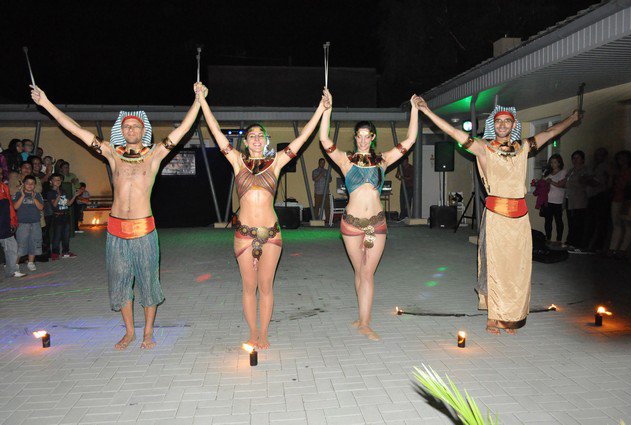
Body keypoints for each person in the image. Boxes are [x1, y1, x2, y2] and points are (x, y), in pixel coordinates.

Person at [31, 82, 204, 350]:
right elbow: (75, 129)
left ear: (143, 131)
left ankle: (148, 332)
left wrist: (197, 100)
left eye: (135, 126)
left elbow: (182, 130)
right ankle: (129, 332)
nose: (131, 130)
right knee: (121, 283)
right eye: (126, 127)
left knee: (148, 282)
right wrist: (46, 104)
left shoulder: (155, 154)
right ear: (120, 131)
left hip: (144, 229)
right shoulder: (112, 153)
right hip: (116, 231)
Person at [417, 101, 581, 334]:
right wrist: (426, 111)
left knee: (517, 269)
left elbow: (551, 132)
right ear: (493, 125)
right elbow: (453, 132)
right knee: (496, 267)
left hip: (520, 217)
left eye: (507, 121)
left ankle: (511, 317)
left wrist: (572, 119)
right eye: (498, 121)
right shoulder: (484, 148)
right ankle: (494, 317)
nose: (503, 125)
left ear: (514, 125)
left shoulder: (523, 147)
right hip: (497, 215)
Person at [200, 86, 330, 350]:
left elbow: (304, 136)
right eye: (252, 136)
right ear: (246, 141)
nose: (257, 139)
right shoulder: (237, 161)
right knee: (249, 287)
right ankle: (252, 333)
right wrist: (202, 100)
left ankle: (264, 333)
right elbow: (216, 131)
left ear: (266, 140)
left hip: (271, 234)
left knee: (266, 286)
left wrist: (321, 108)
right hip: (244, 235)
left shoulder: (276, 162)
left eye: (261, 135)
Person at [320, 90, 419, 341]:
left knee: (367, 273)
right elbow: (323, 138)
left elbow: (410, 140)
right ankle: (361, 317)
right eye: (359, 136)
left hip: (377, 224)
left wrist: (415, 110)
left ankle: (364, 322)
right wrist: (327, 109)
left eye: (367, 136)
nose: (363, 140)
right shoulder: (345, 161)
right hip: (351, 225)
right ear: (355, 137)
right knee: (359, 271)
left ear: (373, 137)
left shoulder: (383, 160)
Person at [12, 175, 44, 272]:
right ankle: (15, 264)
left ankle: (31, 262)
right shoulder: (18, 194)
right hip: (22, 223)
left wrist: (34, 198)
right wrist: (22, 196)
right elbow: (15, 207)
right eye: (27, 183)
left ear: (35, 185)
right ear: (23, 184)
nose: (30, 185)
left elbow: (41, 207)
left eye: (32, 183)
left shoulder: (37, 195)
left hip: (35, 223)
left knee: (34, 242)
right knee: (21, 243)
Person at [607, 150, 631, 258]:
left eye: (624, 158)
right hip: (616, 198)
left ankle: (621, 249)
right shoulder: (618, 171)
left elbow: (624, 185)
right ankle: (613, 248)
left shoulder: (630, 171)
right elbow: (610, 185)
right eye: (619, 158)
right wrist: (612, 176)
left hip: (627, 200)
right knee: (617, 224)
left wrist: (616, 176)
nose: (621, 160)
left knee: (628, 225)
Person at [46, 173, 79, 260]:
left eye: (59, 180)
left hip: (65, 215)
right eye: (55, 180)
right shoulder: (50, 193)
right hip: (57, 216)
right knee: (57, 235)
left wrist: (75, 196)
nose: (58, 181)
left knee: (66, 235)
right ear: (51, 182)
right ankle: (55, 253)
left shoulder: (63, 191)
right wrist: (58, 195)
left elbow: (69, 204)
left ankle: (65, 252)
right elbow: (54, 205)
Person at [0, 168, 26, 278]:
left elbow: (10, 206)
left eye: (1, 173)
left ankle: (12, 270)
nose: (0, 176)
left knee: (12, 247)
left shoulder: (4, 187)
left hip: (5, 223)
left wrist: (13, 220)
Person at [584, 148, 609, 252]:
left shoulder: (605, 167)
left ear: (604, 156)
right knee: (591, 221)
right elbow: (583, 179)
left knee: (600, 222)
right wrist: (589, 179)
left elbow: (598, 183)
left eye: (600, 154)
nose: (597, 156)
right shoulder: (592, 166)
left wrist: (589, 179)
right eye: (596, 154)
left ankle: (598, 246)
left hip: (600, 196)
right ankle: (589, 245)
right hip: (591, 196)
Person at [565, 150, 589, 252]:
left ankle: (578, 244)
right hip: (569, 199)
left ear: (582, 159)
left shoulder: (585, 170)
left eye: (577, 158)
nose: (575, 160)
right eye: (573, 158)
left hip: (579, 200)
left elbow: (584, 183)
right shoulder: (571, 171)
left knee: (578, 222)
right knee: (571, 222)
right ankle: (570, 242)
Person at [544, 154, 567, 245]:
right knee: (548, 221)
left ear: (559, 163)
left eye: (555, 162)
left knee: (558, 221)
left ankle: (559, 240)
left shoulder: (563, 172)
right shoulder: (547, 173)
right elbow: (543, 183)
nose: (553, 164)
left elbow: (561, 185)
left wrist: (551, 181)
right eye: (551, 162)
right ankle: (548, 238)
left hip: (558, 201)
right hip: (548, 200)